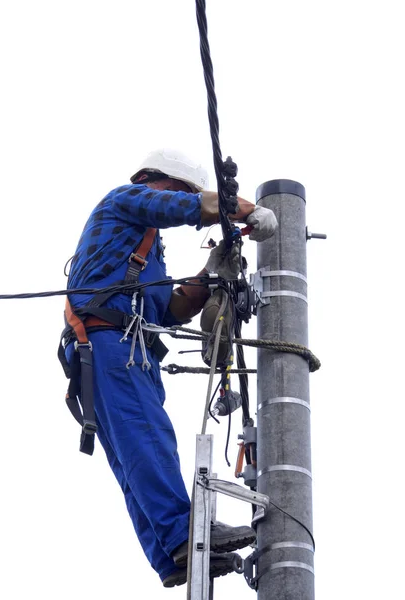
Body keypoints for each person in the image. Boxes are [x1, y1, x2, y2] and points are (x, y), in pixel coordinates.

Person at [63, 148, 278, 587]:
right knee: (146, 438)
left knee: (134, 455)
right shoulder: (123, 201)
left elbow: (170, 309)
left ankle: (173, 555)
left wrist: (209, 272)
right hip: (108, 343)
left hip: (123, 347)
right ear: (154, 180)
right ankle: (182, 533)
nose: (182, 199)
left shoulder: (143, 251)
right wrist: (245, 210)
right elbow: (182, 208)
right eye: (180, 190)